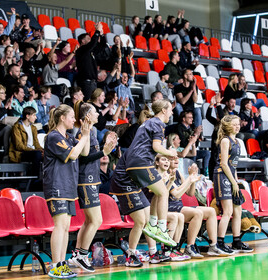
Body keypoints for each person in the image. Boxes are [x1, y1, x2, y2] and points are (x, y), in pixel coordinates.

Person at [110, 99, 178, 267]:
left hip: (134, 165)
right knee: (162, 193)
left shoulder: (148, 123)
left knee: (152, 202)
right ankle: (160, 229)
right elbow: (156, 146)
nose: (171, 113)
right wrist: (169, 153)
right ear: (163, 110)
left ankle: (153, 228)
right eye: (170, 110)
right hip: (136, 166)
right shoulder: (158, 124)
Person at [68, 102, 117, 272]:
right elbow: (82, 158)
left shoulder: (93, 132)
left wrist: (105, 149)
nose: (98, 114)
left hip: (91, 179)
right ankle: (82, 255)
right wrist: (103, 152)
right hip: (86, 179)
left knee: (89, 221)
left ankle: (77, 255)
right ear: (88, 116)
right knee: (97, 220)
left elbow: (91, 155)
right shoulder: (83, 132)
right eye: (95, 112)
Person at [44, 104, 90, 278]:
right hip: (57, 186)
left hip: (69, 187)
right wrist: (85, 135)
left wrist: (88, 131)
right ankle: (55, 265)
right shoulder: (53, 137)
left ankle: (61, 264)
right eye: (71, 117)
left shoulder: (69, 137)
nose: (74, 120)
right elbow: (72, 154)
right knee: (60, 226)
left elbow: (84, 151)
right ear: (62, 118)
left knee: (66, 228)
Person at [166, 157, 228, 257]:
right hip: (169, 208)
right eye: (172, 158)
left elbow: (190, 193)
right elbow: (176, 193)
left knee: (211, 211)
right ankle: (189, 247)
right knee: (197, 213)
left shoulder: (178, 173)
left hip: (179, 207)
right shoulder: (165, 175)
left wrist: (193, 180)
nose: (176, 159)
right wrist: (190, 177)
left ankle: (213, 246)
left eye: (177, 157)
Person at [213, 115, 252, 254]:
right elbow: (224, 163)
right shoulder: (225, 140)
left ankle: (236, 241)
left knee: (238, 211)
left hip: (230, 176)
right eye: (234, 124)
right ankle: (220, 243)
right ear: (228, 126)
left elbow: (233, 165)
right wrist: (233, 182)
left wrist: (236, 181)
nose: (238, 126)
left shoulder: (237, 141)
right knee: (227, 211)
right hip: (221, 175)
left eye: (238, 124)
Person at [9, 107, 43, 176]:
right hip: (21, 153)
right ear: (27, 116)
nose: (35, 117)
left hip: (32, 151)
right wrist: (34, 150)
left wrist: (42, 150)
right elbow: (19, 146)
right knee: (37, 154)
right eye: (33, 115)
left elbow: (36, 143)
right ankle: (35, 178)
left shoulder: (33, 128)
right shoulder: (17, 127)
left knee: (47, 154)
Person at [176, 110, 210, 175]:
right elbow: (183, 144)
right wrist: (196, 134)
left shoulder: (192, 127)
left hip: (192, 150)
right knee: (193, 155)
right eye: (189, 117)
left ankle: (205, 172)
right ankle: (192, 173)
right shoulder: (179, 128)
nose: (192, 119)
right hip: (183, 152)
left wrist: (197, 135)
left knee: (207, 153)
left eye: (192, 117)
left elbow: (196, 145)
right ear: (184, 119)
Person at [76, 23, 103, 101]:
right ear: (82, 41)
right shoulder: (81, 50)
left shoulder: (90, 51)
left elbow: (100, 47)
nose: (90, 39)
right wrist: (97, 31)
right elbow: (92, 43)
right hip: (86, 83)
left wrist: (101, 35)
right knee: (88, 104)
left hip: (93, 82)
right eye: (88, 38)